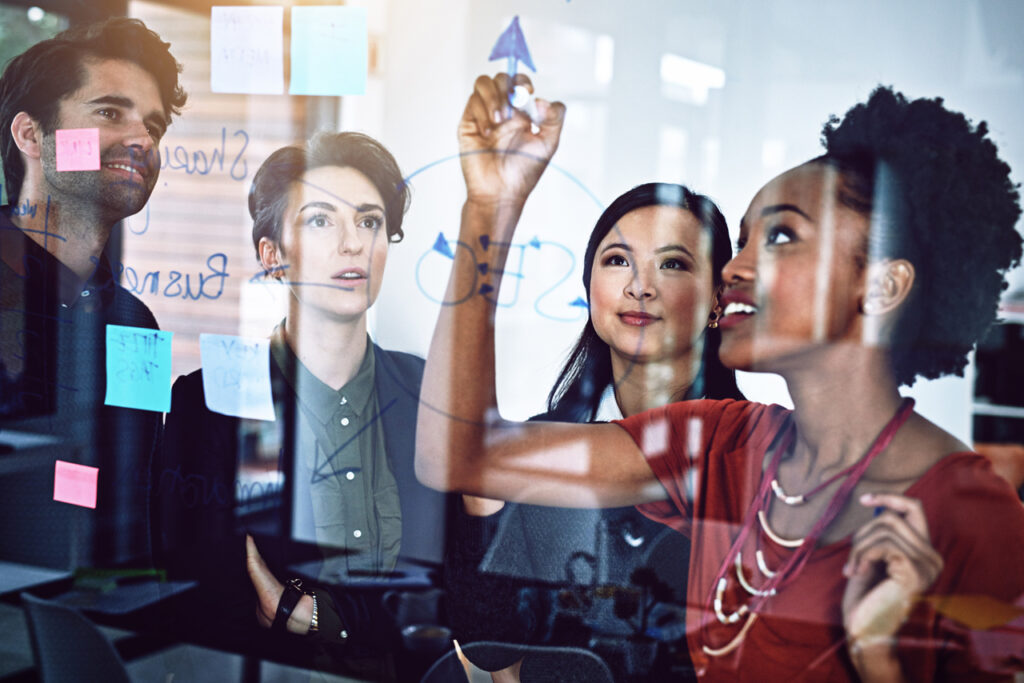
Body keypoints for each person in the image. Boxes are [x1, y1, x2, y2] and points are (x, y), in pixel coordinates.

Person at [416, 74, 1024, 680]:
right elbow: (459, 453)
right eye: (745, 239)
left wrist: (881, 663)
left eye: (781, 236)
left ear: (882, 284)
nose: (733, 267)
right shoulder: (716, 444)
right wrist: (490, 209)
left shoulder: (971, 514)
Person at [157, 131, 450, 679]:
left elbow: (454, 596)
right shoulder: (214, 398)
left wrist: (322, 618)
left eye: (369, 221)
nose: (353, 243)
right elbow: (211, 602)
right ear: (272, 256)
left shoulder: (430, 393)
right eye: (321, 220)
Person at [446, 182, 742, 682]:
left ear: (718, 300)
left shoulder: (754, 450)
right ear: (588, 288)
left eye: (672, 264)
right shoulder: (538, 447)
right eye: (617, 261)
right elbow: (489, 647)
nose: (640, 286)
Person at [0, 17, 185, 564]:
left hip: (102, 611)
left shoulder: (134, 323)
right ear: (31, 135)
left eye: (153, 125)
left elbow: (128, 486)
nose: (141, 140)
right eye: (109, 111)